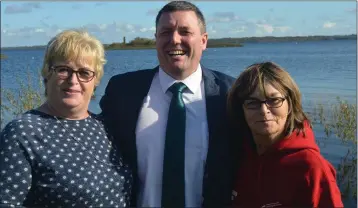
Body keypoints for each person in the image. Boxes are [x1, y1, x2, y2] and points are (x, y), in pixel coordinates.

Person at [99, 1, 239, 207]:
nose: (174, 40)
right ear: (156, 40)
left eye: (184, 31)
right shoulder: (123, 91)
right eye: (165, 32)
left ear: (203, 41)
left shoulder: (230, 93)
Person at [0, 29, 132, 207]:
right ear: (47, 73)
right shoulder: (23, 133)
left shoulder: (105, 126)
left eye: (84, 73)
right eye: (63, 70)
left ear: (96, 80)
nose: (73, 80)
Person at [227, 62, 343, 207]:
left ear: (290, 104)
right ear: (241, 109)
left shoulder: (310, 166)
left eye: (274, 100)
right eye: (252, 102)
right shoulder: (237, 156)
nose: (264, 110)